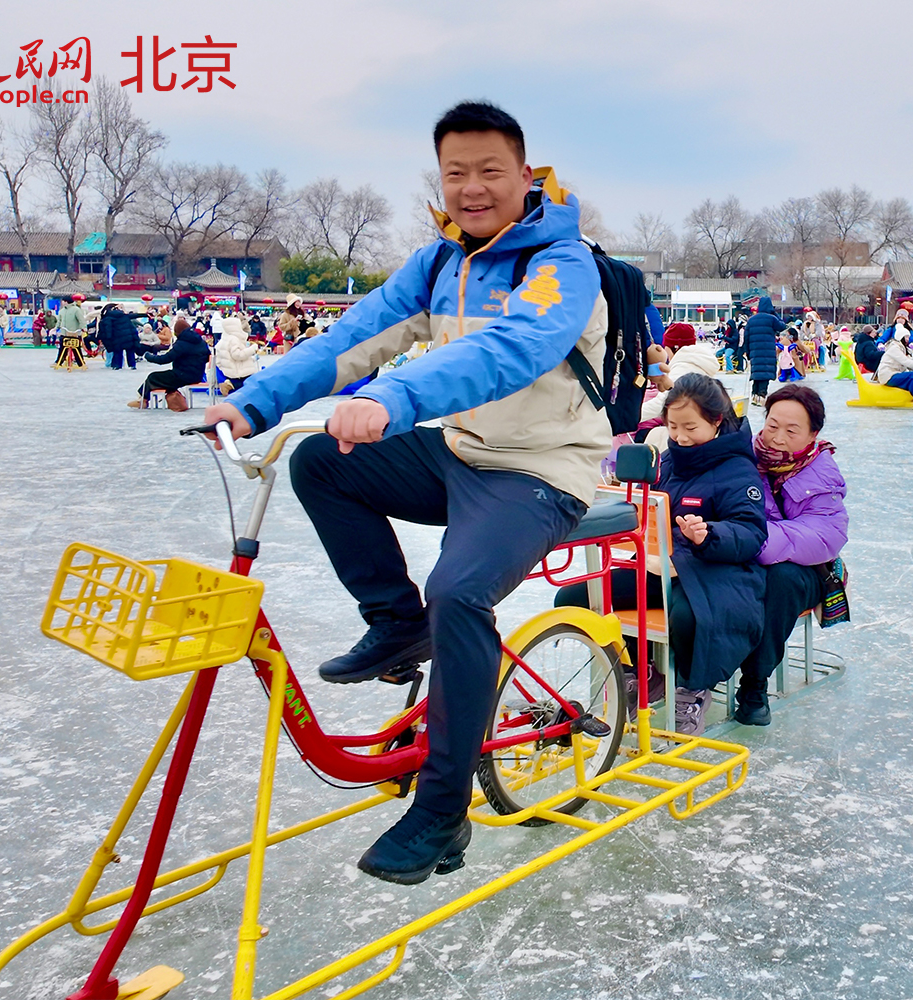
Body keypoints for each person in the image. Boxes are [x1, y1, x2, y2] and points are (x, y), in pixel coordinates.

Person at [200, 101, 615, 886]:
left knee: (458, 593)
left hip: (540, 468)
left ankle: (441, 811)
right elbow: (351, 338)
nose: (472, 188)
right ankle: (396, 625)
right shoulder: (439, 261)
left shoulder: (562, 265)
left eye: (491, 170)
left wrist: (397, 401)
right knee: (323, 462)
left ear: (527, 176)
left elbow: (509, 350)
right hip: (460, 452)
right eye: (456, 173)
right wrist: (254, 401)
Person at [557, 374, 766, 733]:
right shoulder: (668, 460)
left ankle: (693, 688)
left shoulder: (737, 469)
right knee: (577, 597)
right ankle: (636, 671)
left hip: (714, 569)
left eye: (690, 427)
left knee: (686, 616)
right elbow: (648, 510)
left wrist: (707, 534)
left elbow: (751, 532)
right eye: (673, 427)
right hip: (659, 565)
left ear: (716, 421)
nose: (681, 437)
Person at [734, 385, 847, 726]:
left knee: (779, 580)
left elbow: (825, 535)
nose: (777, 438)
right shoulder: (744, 458)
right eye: (772, 426)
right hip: (749, 555)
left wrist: (752, 540)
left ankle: (754, 686)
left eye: (791, 430)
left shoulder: (822, 473)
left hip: (806, 569)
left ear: (813, 433)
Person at [129, 317, 208, 410]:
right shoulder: (201, 342)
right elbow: (207, 357)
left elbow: (165, 359)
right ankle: (143, 399)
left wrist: (148, 356)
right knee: (165, 379)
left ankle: (143, 400)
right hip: (198, 375)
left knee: (153, 377)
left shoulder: (181, 344)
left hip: (183, 375)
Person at [743, 297, 784, 404]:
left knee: (757, 373)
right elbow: (782, 326)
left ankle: (754, 395)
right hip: (768, 352)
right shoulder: (772, 319)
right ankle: (761, 396)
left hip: (755, 352)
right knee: (765, 373)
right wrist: (775, 313)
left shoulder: (751, 320)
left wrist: (747, 352)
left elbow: (746, 338)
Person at [874, 327, 913, 400]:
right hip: (888, 376)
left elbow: (910, 362)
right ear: (900, 337)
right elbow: (906, 362)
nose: (908, 339)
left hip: (895, 373)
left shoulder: (902, 348)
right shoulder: (894, 348)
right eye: (906, 337)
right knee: (912, 376)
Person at [214, 316, 260, 392]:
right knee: (251, 384)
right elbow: (238, 355)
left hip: (230, 371)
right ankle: (229, 385)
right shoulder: (234, 339)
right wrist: (252, 349)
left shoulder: (224, 338)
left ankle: (230, 384)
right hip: (239, 371)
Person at [99, 304, 143, 370]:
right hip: (129, 337)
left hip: (117, 338)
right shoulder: (124, 315)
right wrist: (146, 314)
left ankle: (117, 365)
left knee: (118, 352)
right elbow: (134, 315)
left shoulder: (108, 318)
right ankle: (132, 365)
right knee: (130, 351)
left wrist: (108, 338)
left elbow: (108, 329)